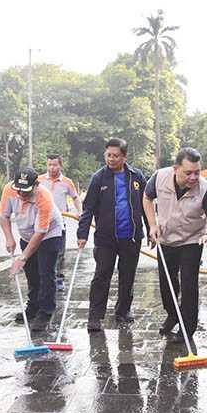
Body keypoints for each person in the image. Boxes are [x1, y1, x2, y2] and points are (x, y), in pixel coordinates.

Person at [143, 147, 207, 344]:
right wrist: (152, 225)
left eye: (197, 172)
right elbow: (146, 198)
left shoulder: (205, 189)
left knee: (189, 285)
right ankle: (173, 314)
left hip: (192, 240)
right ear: (175, 169)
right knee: (166, 285)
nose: (194, 177)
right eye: (188, 172)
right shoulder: (159, 177)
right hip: (166, 238)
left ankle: (188, 328)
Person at [77, 138, 148, 332]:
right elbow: (88, 207)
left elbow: (146, 205)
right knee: (101, 276)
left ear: (124, 157)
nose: (111, 159)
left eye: (116, 156)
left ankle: (123, 312)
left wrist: (151, 230)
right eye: (108, 155)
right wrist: (82, 233)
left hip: (131, 237)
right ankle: (95, 316)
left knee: (127, 276)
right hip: (105, 238)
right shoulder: (98, 178)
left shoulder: (137, 176)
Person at [0, 167, 64, 330]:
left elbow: (40, 232)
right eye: (18, 190)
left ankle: (45, 311)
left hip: (50, 234)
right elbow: (4, 215)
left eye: (26, 191)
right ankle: (33, 307)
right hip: (26, 235)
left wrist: (23, 257)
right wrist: (9, 238)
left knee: (46, 273)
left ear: (36, 185)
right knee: (32, 274)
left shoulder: (44, 197)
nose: (21, 194)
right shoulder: (9, 189)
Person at [39, 154, 82, 292]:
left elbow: (75, 198)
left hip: (59, 224)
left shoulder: (67, 182)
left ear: (60, 165)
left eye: (55, 165)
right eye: (49, 165)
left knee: (59, 253)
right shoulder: (39, 180)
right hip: (41, 223)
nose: (52, 168)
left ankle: (59, 279)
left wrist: (79, 212)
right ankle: (43, 280)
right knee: (40, 253)